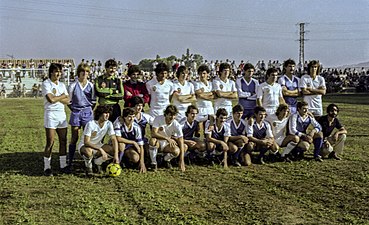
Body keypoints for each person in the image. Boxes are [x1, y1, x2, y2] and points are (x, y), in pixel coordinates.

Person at [42, 63, 70, 176]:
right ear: (51, 72)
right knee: (50, 142)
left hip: (61, 115)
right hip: (51, 114)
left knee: (63, 140)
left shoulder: (62, 85)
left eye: (60, 71)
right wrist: (62, 96)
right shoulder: (46, 83)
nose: (58, 73)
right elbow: (51, 100)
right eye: (56, 71)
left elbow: (68, 100)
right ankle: (47, 167)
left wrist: (59, 97)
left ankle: (63, 165)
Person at [67, 63, 96, 170]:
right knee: (74, 136)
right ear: (78, 72)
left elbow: (93, 102)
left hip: (87, 112)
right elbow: (69, 101)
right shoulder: (73, 86)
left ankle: (89, 160)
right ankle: (70, 161)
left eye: (87, 71)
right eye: (82, 71)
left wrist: (87, 111)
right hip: (76, 112)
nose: (84, 73)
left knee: (88, 137)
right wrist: (75, 110)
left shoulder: (91, 86)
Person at [78, 105, 119, 176]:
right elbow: (86, 142)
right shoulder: (91, 124)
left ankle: (97, 163)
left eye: (108, 113)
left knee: (112, 149)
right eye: (105, 113)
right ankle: (89, 167)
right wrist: (100, 150)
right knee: (88, 152)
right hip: (85, 146)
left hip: (98, 145)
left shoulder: (109, 123)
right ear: (100, 113)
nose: (107, 115)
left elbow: (114, 139)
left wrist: (116, 155)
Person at [149, 105, 186, 171]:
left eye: (174, 115)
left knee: (176, 151)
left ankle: (166, 160)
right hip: (158, 142)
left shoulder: (176, 125)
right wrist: (167, 138)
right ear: (165, 114)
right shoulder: (158, 119)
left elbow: (181, 140)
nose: (172, 117)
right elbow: (153, 133)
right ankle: (153, 163)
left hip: (167, 144)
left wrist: (181, 160)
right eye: (170, 115)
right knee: (152, 141)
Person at [113, 107, 146, 173]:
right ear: (124, 117)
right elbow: (118, 139)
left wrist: (142, 163)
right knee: (121, 145)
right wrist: (133, 142)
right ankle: (117, 164)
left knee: (135, 158)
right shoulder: (118, 123)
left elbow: (141, 146)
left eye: (133, 117)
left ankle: (125, 160)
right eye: (129, 117)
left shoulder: (136, 127)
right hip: (117, 144)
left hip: (129, 147)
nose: (131, 119)